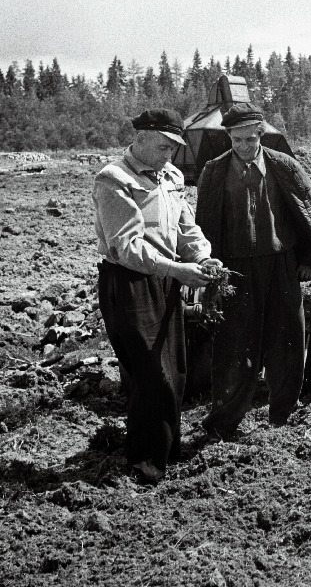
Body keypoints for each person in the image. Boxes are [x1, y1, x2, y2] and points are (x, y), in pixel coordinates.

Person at [93, 108, 221, 485]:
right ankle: (145, 463)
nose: (170, 153)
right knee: (152, 375)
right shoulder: (114, 180)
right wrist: (178, 270)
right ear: (142, 138)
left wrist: (201, 256)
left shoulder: (170, 176)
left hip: (164, 280)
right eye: (164, 145)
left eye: (174, 147)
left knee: (174, 370)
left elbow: (186, 225)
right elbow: (126, 248)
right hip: (130, 283)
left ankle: (165, 452)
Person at [195, 103, 311, 438]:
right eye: (237, 139)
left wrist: (308, 259)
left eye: (250, 138)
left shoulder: (283, 166)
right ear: (228, 136)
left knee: (286, 340)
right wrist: (207, 266)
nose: (245, 146)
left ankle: (282, 418)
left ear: (261, 133)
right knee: (233, 345)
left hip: (281, 266)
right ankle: (224, 423)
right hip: (234, 271)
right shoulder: (213, 172)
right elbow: (202, 223)